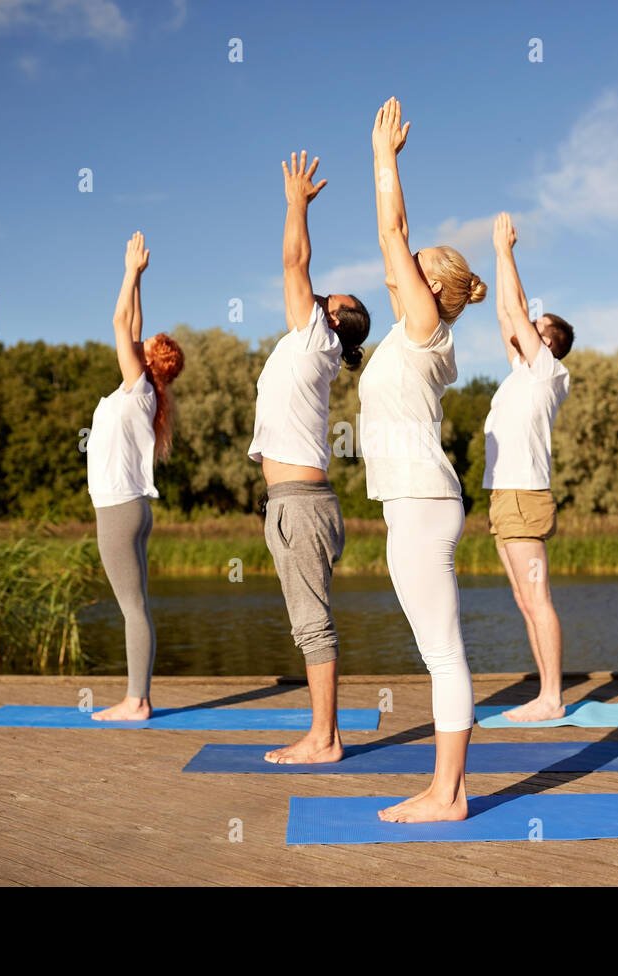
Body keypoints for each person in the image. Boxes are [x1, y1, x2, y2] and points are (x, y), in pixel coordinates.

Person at [358, 97, 486, 822]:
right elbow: (393, 247)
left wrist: (384, 161)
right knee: (438, 649)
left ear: (432, 287)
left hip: (422, 502)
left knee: (442, 652)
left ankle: (450, 794)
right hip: (414, 502)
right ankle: (447, 789)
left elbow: (391, 231)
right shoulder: (415, 336)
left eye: (415, 266)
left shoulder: (427, 324)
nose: (401, 264)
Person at [248, 150, 371, 763]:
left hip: (300, 505)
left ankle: (324, 739)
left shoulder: (315, 336)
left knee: (313, 625)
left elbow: (295, 259)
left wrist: (296, 202)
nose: (318, 292)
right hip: (292, 502)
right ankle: (325, 733)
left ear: (334, 320)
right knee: (309, 623)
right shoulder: (312, 339)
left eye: (330, 296)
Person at [89, 231, 184, 722]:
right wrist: (141, 279)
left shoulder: (138, 387)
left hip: (117, 510)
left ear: (148, 363)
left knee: (130, 607)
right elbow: (133, 326)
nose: (133, 345)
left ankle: (136, 701)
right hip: (133, 509)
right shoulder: (145, 393)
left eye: (141, 349)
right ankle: (139, 695)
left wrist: (129, 272)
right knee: (137, 604)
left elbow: (118, 321)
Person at [484, 212, 574, 722]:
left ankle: (552, 697)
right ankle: (546, 693)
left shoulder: (547, 372)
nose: (524, 333)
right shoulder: (523, 371)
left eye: (536, 331)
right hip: (505, 495)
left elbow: (517, 311)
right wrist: (499, 264)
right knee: (523, 599)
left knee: (536, 598)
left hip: (524, 494)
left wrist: (505, 251)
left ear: (549, 343)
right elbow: (505, 313)